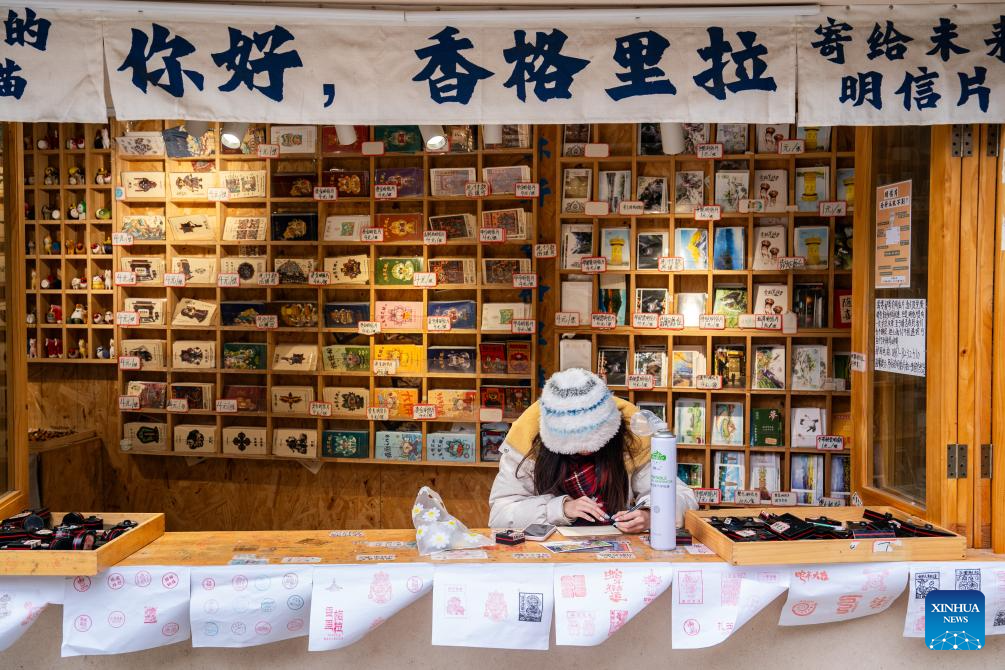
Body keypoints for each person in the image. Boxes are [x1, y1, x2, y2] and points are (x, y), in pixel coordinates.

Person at [489, 368, 698, 532]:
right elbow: (500, 514)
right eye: (575, 444)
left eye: (595, 442)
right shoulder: (527, 441)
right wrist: (561, 509)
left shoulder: (632, 437)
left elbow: (682, 496)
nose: (586, 450)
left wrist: (651, 514)